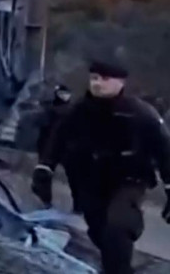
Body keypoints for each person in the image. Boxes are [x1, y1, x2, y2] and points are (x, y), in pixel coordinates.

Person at [31, 60, 170, 274]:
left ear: (120, 82)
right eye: (94, 78)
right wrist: (44, 170)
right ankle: (115, 267)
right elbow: (56, 140)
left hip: (129, 179)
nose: (97, 84)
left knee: (118, 225)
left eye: (105, 79)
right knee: (99, 232)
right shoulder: (78, 111)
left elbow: (164, 151)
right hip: (91, 181)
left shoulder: (140, 114)